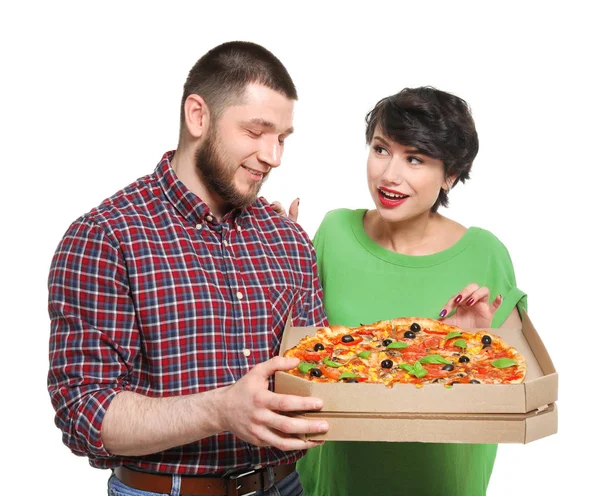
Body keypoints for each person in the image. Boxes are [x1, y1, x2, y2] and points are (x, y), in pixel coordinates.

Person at [47, 41, 330, 496]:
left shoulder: (289, 239)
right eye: (256, 132)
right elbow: (84, 412)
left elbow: (322, 377)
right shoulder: (106, 236)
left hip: (285, 487)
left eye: (282, 138)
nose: (273, 156)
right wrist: (220, 411)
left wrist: (451, 347)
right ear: (198, 116)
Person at [293, 87, 527, 496]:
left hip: (441, 483)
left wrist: (473, 344)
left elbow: (513, 399)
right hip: (337, 481)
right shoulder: (334, 233)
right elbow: (300, 350)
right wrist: (269, 249)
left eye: (414, 159)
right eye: (382, 149)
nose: (389, 175)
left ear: (450, 175)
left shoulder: (485, 253)